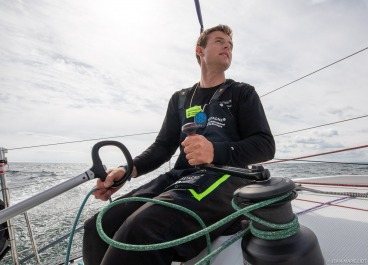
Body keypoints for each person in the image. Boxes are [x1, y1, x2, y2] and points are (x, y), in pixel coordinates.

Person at [82, 24, 275, 265]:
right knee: (98, 226)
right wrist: (126, 170)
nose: (227, 46)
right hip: (179, 177)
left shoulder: (242, 93)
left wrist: (216, 151)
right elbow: (163, 147)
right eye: (219, 41)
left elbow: (265, 144)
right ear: (199, 50)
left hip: (225, 177)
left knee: (141, 229)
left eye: (230, 44)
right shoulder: (180, 99)